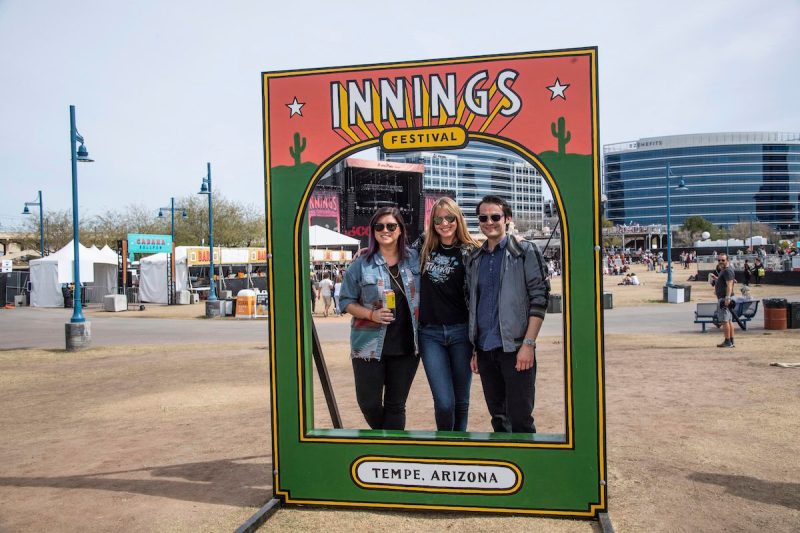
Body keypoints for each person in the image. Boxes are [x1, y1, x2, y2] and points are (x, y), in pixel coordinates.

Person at [467, 195, 550, 433]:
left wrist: (528, 344)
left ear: (507, 219)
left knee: (521, 418)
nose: (489, 222)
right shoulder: (474, 259)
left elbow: (539, 299)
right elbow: (473, 304)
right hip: (485, 349)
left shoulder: (525, 251)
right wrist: (475, 349)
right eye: (483, 218)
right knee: (499, 420)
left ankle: (528, 459)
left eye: (495, 216)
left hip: (516, 348)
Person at [338, 207, 420, 430]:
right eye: (379, 226)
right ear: (373, 231)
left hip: (406, 347)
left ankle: (388, 448)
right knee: (369, 404)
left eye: (391, 226)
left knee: (396, 406)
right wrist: (370, 314)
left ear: (400, 230)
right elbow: (345, 301)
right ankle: (387, 442)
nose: (385, 230)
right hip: (368, 346)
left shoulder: (415, 259)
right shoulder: (361, 264)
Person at [416, 197, 479, 432]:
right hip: (430, 334)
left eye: (450, 218)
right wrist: (369, 252)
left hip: (461, 332)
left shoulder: (471, 251)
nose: (444, 224)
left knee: (461, 402)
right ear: (432, 223)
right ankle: (444, 445)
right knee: (444, 403)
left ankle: (458, 447)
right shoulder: (422, 247)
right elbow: (394, 252)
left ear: (458, 219)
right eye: (438, 219)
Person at [709, 253, 736, 348]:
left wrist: (727, 298)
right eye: (719, 260)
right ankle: (731, 340)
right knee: (729, 320)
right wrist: (716, 279)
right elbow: (725, 282)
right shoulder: (724, 270)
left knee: (725, 321)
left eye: (723, 260)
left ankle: (728, 341)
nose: (720, 262)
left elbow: (729, 285)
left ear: (727, 260)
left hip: (725, 298)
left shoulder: (727, 270)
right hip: (724, 297)